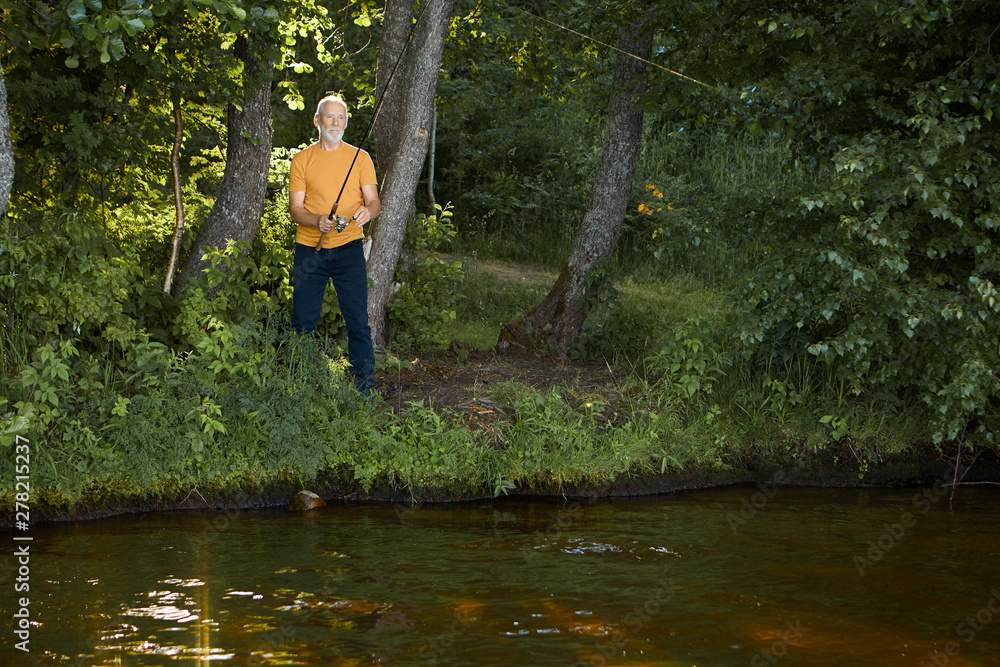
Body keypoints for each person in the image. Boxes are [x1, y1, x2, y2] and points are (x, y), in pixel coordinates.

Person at [288, 94, 380, 392]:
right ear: (318, 120)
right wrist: (317, 221)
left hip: (349, 249)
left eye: (341, 117)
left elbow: (374, 201)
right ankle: (298, 386)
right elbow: (296, 210)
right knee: (303, 321)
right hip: (309, 251)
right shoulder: (303, 159)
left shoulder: (360, 157)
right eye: (330, 116)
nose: (336, 122)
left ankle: (363, 387)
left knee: (358, 321)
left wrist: (369, 210)